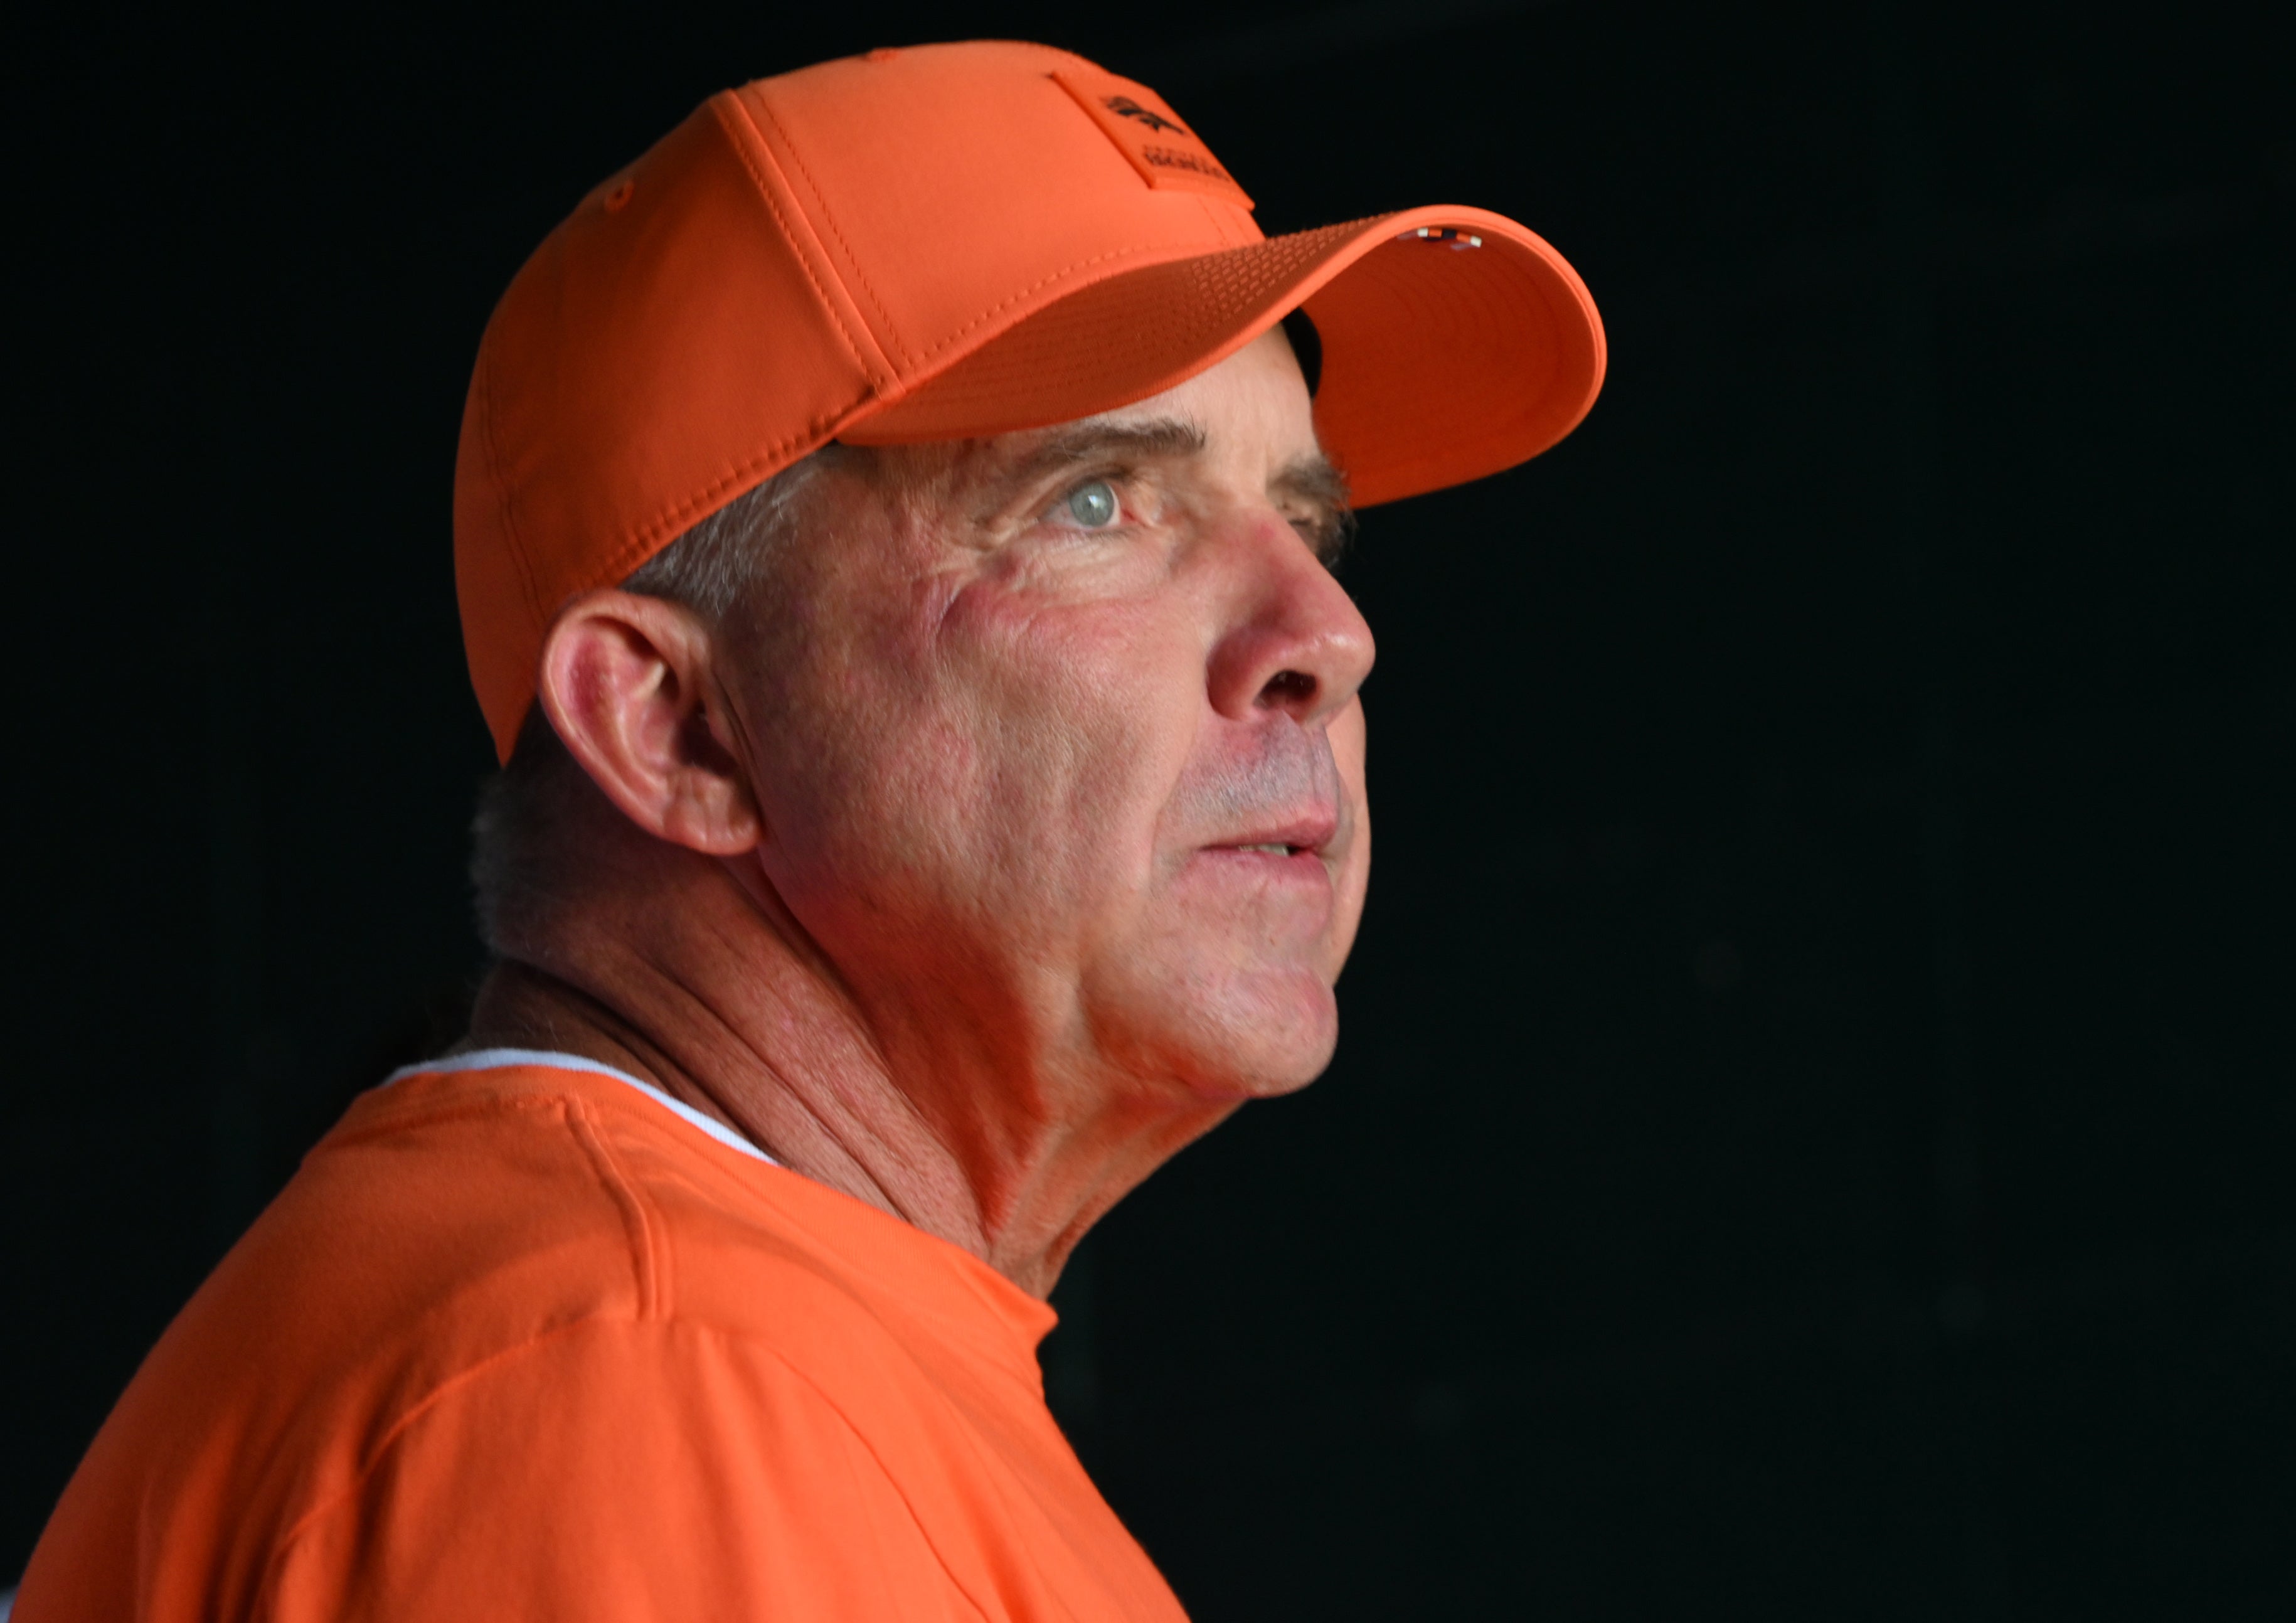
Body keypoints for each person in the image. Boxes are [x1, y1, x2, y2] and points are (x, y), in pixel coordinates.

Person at [18, 40, 1602, 1620]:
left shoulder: (740, 1343)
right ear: (677, 726)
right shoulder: (642, 1382)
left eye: (1308, 521)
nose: (1326, 631)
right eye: (1099, 503)